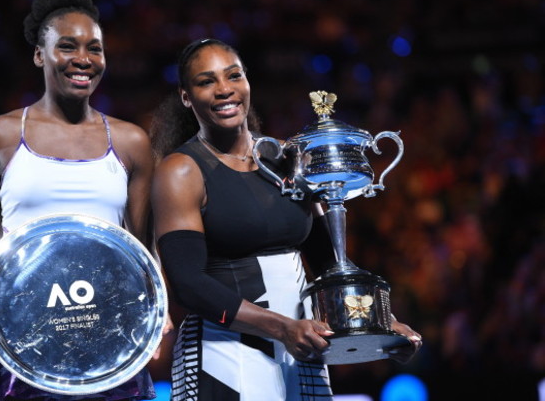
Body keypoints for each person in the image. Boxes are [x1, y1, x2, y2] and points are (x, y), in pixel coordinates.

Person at [150, 38, 422, 401]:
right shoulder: (181, 170)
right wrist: (281, 328)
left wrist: (382, 322)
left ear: (247, 82)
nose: (224, 89)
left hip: (300, 351)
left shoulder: (291, 159)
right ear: (186, 96)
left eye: (234, 75)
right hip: (224, 356)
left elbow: (330, 261)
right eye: (206, 81)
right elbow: (188, 285)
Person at [0, 0, 164, 401]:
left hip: (107, 342)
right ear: (40, 55)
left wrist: (157, 307)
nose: (84, 59)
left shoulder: (131, 141)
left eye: (95, 48)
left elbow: (143, 250)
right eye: (67, 46)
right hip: (20, 337)